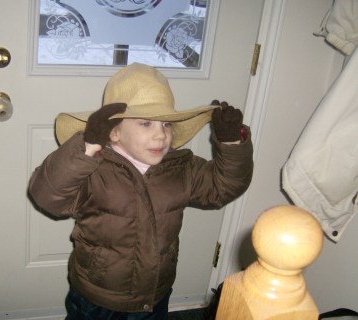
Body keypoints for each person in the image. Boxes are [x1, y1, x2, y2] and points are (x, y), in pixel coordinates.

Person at [28, 63, 253, 319]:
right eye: (146, 124)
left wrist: (231, 142)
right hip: (97, 296)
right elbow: (47, 195)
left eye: (166, 125)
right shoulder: (94, 168)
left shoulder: (182, 167)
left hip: (154, 294)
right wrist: (87, 147)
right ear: (114, 132)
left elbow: (224, 186)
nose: (161, 136)